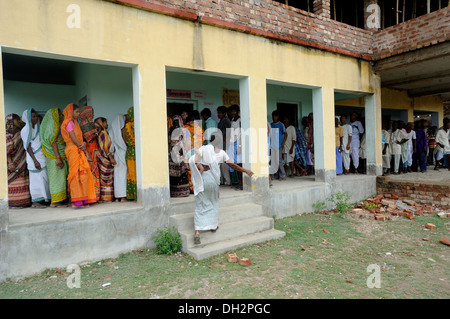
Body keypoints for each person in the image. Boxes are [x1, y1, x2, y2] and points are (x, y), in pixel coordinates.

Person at [189, 136, 254, 245]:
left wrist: (200, 166)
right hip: (213, 181)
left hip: (203, 180)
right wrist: (245, 170)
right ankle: (213, 226)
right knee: (213, 203)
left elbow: (194, 159)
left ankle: (197, 232)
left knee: (200, 205)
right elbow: (232, 165)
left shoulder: (203, 149)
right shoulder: (222, 153)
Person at [61, 103, 97, 208]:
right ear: (71, 112)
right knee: (75, 175)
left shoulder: (75, 122)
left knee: (83, 175)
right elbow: (73, 137)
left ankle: (84, 200)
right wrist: (82, 147)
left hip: (78, 148)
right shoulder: (68, 123)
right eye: (76, 112)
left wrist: (82, 145)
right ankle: (76, 202)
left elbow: (79, 138)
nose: (78, 114)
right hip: (73, 150)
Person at [21, 108, 50, 208]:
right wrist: (35, 161)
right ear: (28, 118)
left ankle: (45, 198)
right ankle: (36, 201)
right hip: (33, 158)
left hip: (41, 156)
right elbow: (27, 146)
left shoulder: (38, 127)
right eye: (33, 116)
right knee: (35, 180)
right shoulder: (25, 130)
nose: (35, 118)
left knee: (44, 178)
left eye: (35, 116)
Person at [40, 108, 69, 207]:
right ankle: (55, 202)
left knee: (60, 178)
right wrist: (58, 157)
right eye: (60, 114)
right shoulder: (53, 128)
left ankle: (59, 200)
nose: (62, 116)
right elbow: (53, 142)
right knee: (56, 178)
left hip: (58, 155)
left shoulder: (57, 126)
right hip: (54, 157)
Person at [6, 113, 31, 209]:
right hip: (13, 163)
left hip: (22, 162)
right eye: (17, 120)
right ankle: (13, 203)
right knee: (13, 183)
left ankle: (23, 203)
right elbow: (7, 150)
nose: (19, 122)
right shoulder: (6, 134)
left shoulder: (20, 132)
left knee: (23, 182)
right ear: (11, 122)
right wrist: (10, 163)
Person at [79, 106, 100, 201]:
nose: (93, 114)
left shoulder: (84, 123)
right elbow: (89, 138)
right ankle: (93, 196)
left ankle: (93, 195)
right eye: (91, 112)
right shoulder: (86, 124)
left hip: (92, 149)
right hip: (90, 149)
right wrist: (96, 134)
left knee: (93, 172)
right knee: (93, 172)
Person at [95, 117, 116, 202]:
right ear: (102, 123)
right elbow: (106, 148)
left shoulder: (99, 133)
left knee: (104, 179)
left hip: (101, 159)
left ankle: (104, 198)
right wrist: (111, 158)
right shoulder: (104, 133)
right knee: (107, 180)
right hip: (106, 159)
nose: (107, 124)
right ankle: (107, 198)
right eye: (105, 122)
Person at [168, 116, 190, 197]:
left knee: (174, 173)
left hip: (172, 154)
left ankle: (174, 192)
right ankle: (183, 192)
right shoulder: (183, 130)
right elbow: (187, 143)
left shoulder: (170, 130)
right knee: (181, 172)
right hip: (180, 153)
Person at [109, 114, 128, 202]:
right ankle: (123, 197)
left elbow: (110, 147)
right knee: (123, 176)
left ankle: (117, 197)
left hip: (116, 155)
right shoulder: (124, 131)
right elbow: (126, 142)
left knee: (117, 177)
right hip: (123, 154)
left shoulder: (111, 132)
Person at [228, 104, 244, 189]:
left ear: (237, 111)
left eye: (234, 111)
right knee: (234, 164)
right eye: (232, 111)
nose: (233, 113)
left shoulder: (240, 120)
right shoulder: (232, 120)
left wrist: (240, 146)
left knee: (240, 163)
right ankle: (238, 182)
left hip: (238, 143)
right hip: (232, 143)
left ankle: (242, 183)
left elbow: (242, 133)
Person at [217, 106, 231, 186]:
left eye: (219, 113)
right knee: (220, 164)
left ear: (224, 113)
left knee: (224, 164)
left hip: (225, 145)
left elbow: (228, 134)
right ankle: (222, 181)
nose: (218, 114)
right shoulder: (220, 121)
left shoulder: (226, 121)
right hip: (220, 145)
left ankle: (227, 181)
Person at [270, 110, 287, 181]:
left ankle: (283, 175)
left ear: (278, 117)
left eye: (276, 116)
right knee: (273, 161)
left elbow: (285, 134)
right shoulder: (271, 125)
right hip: (272, 145)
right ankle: (276, 175)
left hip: (278, 145)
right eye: (274, 116)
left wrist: (283, 143)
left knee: (279, 160)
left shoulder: (281, 124)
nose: (274, 117)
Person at [125, 106, 137, 201]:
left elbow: (125, 140)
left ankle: (132, 195)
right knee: (139, 173)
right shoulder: (139, 124)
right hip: (139, 152)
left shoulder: (127, 126)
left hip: (130, 152)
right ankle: (139, 195)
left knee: (131, 172)